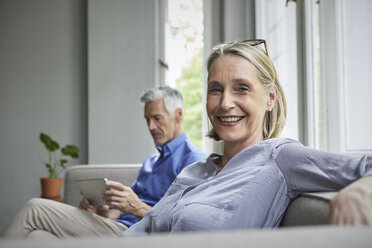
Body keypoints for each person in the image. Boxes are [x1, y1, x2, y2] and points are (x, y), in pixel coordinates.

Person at [120, 40, 372, 235]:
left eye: (242, 88)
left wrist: (361, 189)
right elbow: (141, 232)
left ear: (270, 98)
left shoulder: (280, 158)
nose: (225, 103)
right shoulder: (194, 171)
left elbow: (366, 167)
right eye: (215, 90)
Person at [3, 86, 207, 239]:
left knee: (35, 208)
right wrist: (102, 213)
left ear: (178, 115)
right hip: (117, 229)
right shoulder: (151, 163)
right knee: (38, 237)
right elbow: (119, 212)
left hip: (140, 235)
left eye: (157, 118)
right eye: (147, 120)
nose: (150, 126)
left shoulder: (194, 162)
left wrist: (136, 207)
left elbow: (182, 224)